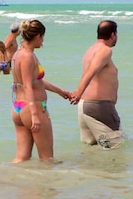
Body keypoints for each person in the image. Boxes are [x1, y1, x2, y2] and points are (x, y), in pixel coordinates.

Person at [10, 19, 71, 163]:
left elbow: (35, 81)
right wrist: (34, 114)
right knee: (47, 158)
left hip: (18, 107)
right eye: (42, 37)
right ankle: (45, 186)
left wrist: (60, 91)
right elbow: (28, 86)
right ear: (37, 36)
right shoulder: (28, 57)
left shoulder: (18, 54)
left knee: (21, 158)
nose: (42, 41)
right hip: (33, 107)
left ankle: (13, 182)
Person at [69, 20, 124, 150]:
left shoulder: (91, 50)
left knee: (91, 149)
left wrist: (79, 95)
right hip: (99, 107)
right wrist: (78, 91)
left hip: (85, 107)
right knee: (114, 148)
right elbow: (91, 71)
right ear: (113, 35)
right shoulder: (105, 50)